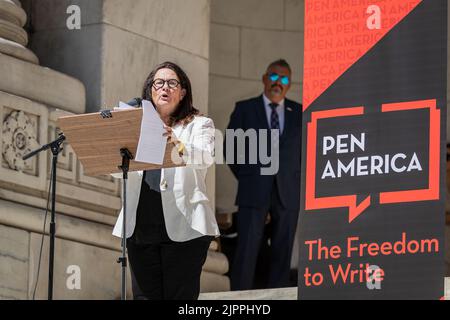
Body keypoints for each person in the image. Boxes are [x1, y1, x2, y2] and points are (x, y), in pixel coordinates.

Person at [112, 61, 220, 300]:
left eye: (172, 83)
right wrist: (114, 141)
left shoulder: (199, 124)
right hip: (140, 228)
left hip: (185, 228)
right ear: (150, 90)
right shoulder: (134, 126)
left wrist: (177, 144)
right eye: (158, 83)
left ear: (182, 92)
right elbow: (117, 171)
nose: (165, 88)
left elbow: (205, 156)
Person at [225, 59, 302, 290]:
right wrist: (250, 177)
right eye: (274, 76)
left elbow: (306, 154)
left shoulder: (300, 112)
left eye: (284, 79)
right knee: (247, 248)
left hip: (288, 192)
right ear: (264, 78)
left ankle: (277, 295)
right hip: (253, 190)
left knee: (283, 249)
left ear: (289, 84)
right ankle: (239, 299)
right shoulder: (245, 109)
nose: (278, 82)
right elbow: (231, 150)